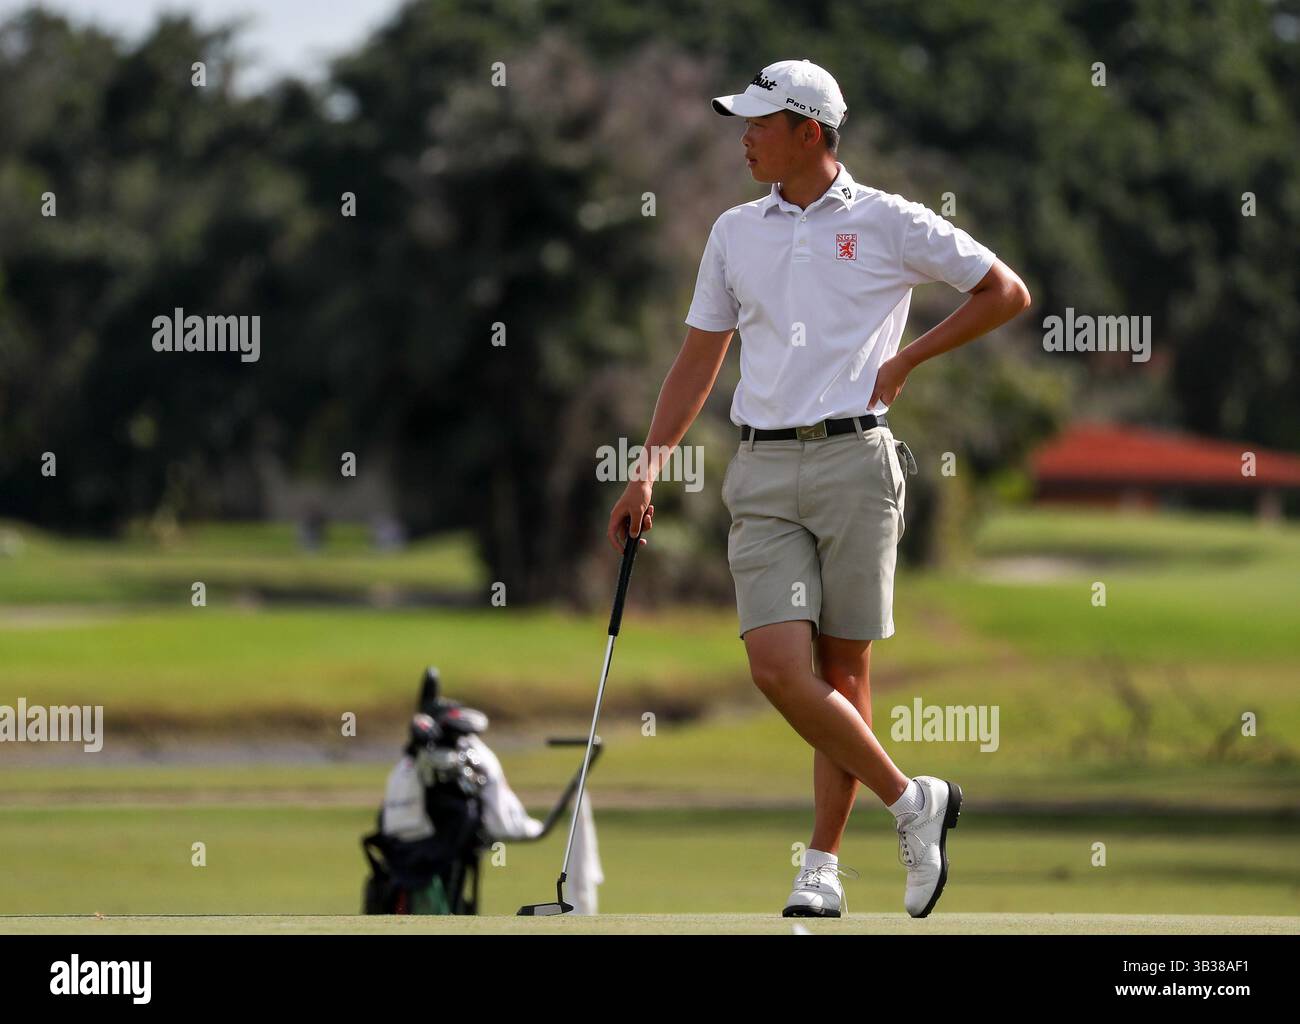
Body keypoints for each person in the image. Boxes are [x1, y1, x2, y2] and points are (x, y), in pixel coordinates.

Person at [606, 59, 1031, 918]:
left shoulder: (887, 221)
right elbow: (699, 358)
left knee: (843, 669)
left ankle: (822, 868)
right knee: (777, 667)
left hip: (855, 462)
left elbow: (1003, 292)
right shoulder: (735, 231)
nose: (744, 135)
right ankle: (915, 801)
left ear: (810, 131)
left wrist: (909, 358)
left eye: (760, 122)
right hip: (761, 467)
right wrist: (645, 465)